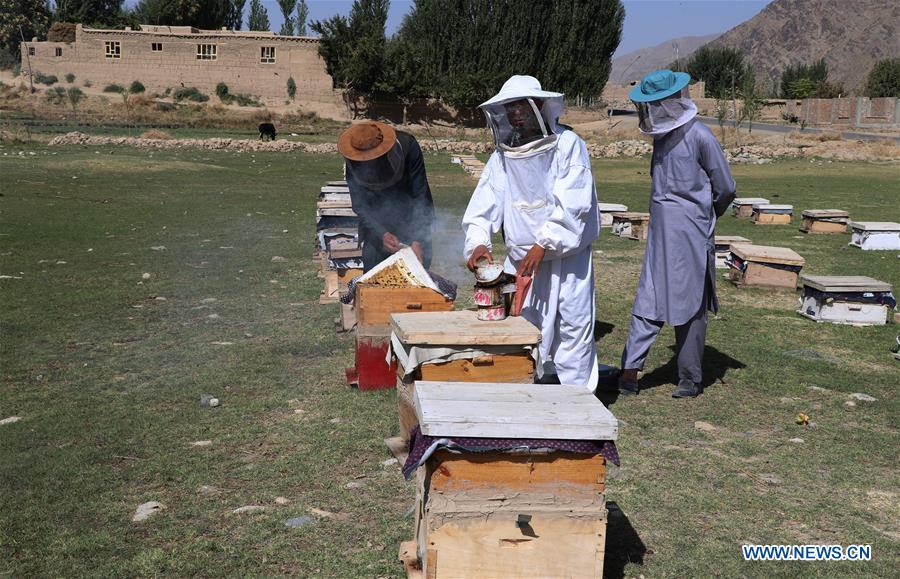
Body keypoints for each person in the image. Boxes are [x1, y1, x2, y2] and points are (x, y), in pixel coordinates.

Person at [462, 75, 601, 389]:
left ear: (540, 105)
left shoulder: (568, 145)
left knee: (572, 331)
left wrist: (544, 243)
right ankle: (525, 400)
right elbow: (485, 202)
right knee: (522, 332)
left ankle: (578, 408)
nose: (516, 113)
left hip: (568, 262)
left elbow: (573, 204)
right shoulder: (503, 155)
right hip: (521, 263)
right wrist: (478, 241)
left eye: (522, 105)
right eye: (510, 107)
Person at [618, 69, 736, 398]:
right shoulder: (694, 135)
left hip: (674, 230)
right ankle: (687, 379)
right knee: (689, 301)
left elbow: (722, 187)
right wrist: (710, 211)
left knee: (653, 295)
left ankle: (633, 372)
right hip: (682, 232)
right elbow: (725, 188)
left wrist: (703, 210)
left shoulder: (694, 136)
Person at [338, 121, 435, 271]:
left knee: (417, 283)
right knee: (372, 284)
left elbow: (420, 195)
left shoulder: (407, 146)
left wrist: (418, 240)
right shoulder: (354, 158)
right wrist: (381, 233)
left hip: (411, 224)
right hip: (376, 229)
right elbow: (360, 204)